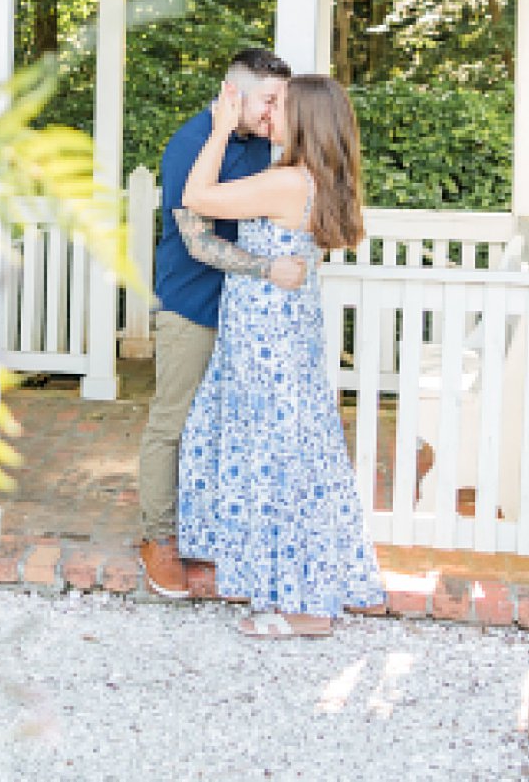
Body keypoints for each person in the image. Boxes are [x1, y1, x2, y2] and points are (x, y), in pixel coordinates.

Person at [176, 73, 386, 638]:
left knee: (280, 463)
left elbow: (195, 197)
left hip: (268, 338)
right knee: (297, 459)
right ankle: (312, 587)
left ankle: (306, 607)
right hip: (278, 334)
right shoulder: (308, 177)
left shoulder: (290, 182)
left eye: (281, 106)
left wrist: (219, 131)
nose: (270, 114)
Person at [136, 48, 305, 601]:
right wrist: (266, 268)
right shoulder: (189, 145)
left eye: (281, 100)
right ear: (233, 95)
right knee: (174, 421)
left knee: (230, 424)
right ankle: (157, 537)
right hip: (193, 303)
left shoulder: (268, 146)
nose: (276, 111)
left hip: (250, 312)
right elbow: (198, 240)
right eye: (269, 100)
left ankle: (214, 529)